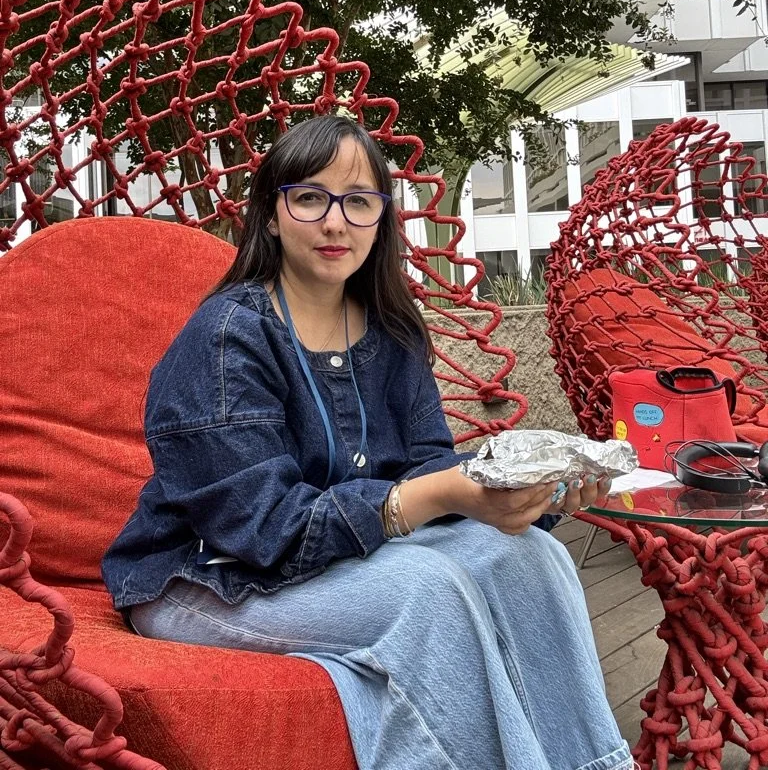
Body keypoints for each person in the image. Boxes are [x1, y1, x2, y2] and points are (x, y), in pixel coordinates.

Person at [102, 115, 634, 770]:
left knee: (529, 559)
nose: (336, 223)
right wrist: (436, 494)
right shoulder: (228, 337)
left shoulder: (391, 331)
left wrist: (529, 497)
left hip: (339, 562)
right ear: (271, 215)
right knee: (428, 588)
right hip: (207, 578)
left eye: (358, 202)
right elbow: (262, 531)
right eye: (310, 198)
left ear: (380, 218)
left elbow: (430, 468)